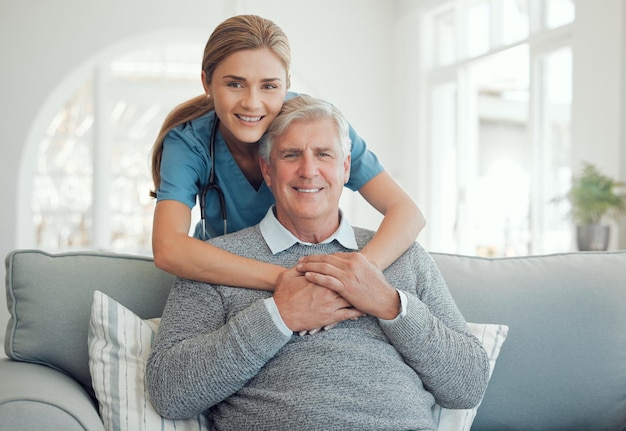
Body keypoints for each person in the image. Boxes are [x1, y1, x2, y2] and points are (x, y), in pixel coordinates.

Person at [146, 95, 489, 430]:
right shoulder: (214, 262)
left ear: (345, 167)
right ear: (267, 169)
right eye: (291, 154)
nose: (308, 171)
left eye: (323, 154)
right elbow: (170, 392)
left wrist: (390, 305)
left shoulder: (405, 257)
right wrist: (278, 317)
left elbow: (468, 386)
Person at [149, 14, 425, 292]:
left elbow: (407, 213)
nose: (252, 103)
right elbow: (168, 248)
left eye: (269, 86)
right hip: (227, 282)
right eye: (234, 84)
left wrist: (356, 276)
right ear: (207, 83)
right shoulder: (189, 143)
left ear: (287, 83)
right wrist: (284, 279)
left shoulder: (318, 123)